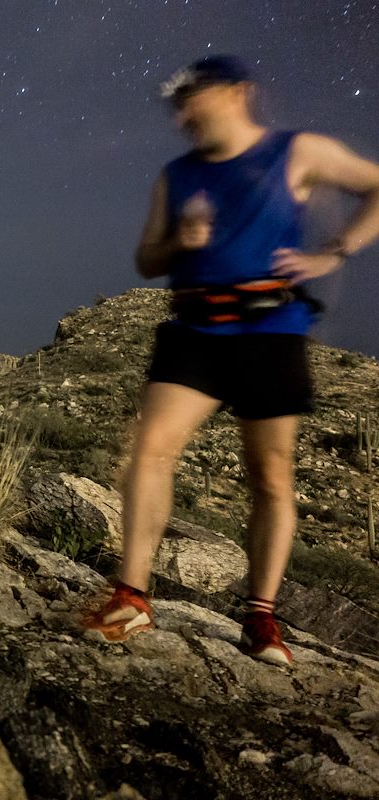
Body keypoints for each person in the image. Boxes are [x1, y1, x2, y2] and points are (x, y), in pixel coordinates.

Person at [83, 55, 379, 665]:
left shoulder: (297, 152)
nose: (184, 111)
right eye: (179, 102)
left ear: (239, 93)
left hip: (270, 329)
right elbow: (146, 258)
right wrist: (178, 242)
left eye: (195, 96)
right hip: (194, 329)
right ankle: (132, 596)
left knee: (270, 477)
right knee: (150, 449)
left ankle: (260, 619)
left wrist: (335, 251)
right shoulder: (176, 175)